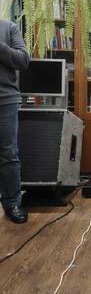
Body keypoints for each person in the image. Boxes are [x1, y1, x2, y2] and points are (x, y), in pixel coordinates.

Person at [0, 19, 30, 223]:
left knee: (8, 154)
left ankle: (12, 203)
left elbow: (23, 61)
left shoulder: (8, 27)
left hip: (5, 100)